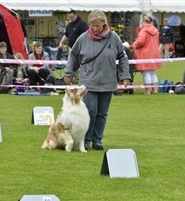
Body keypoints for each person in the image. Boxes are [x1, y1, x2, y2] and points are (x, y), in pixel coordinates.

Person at [63, 9, 131, 151]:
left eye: (98, 26)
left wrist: (125, 76)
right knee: (90, 111)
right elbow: (73, 56)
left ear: (104, 24)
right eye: (92, 26)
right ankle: (86, 140)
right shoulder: (83, 38)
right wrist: (68, 73)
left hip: (108, 82)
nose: (95, 29)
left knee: (102, 113)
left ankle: (97, 140)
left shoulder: (113, 38)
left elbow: (123, 57)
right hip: (88, 82)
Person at [132, 15, 161, 95]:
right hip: (155, 53)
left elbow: (140, 41)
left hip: (145, 53)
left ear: (143, 22)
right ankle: (155, 90)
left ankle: (147, 91)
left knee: (146, 73)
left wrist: (134, 44)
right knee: (152, 72)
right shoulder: (155, 30)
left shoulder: (144, 31)